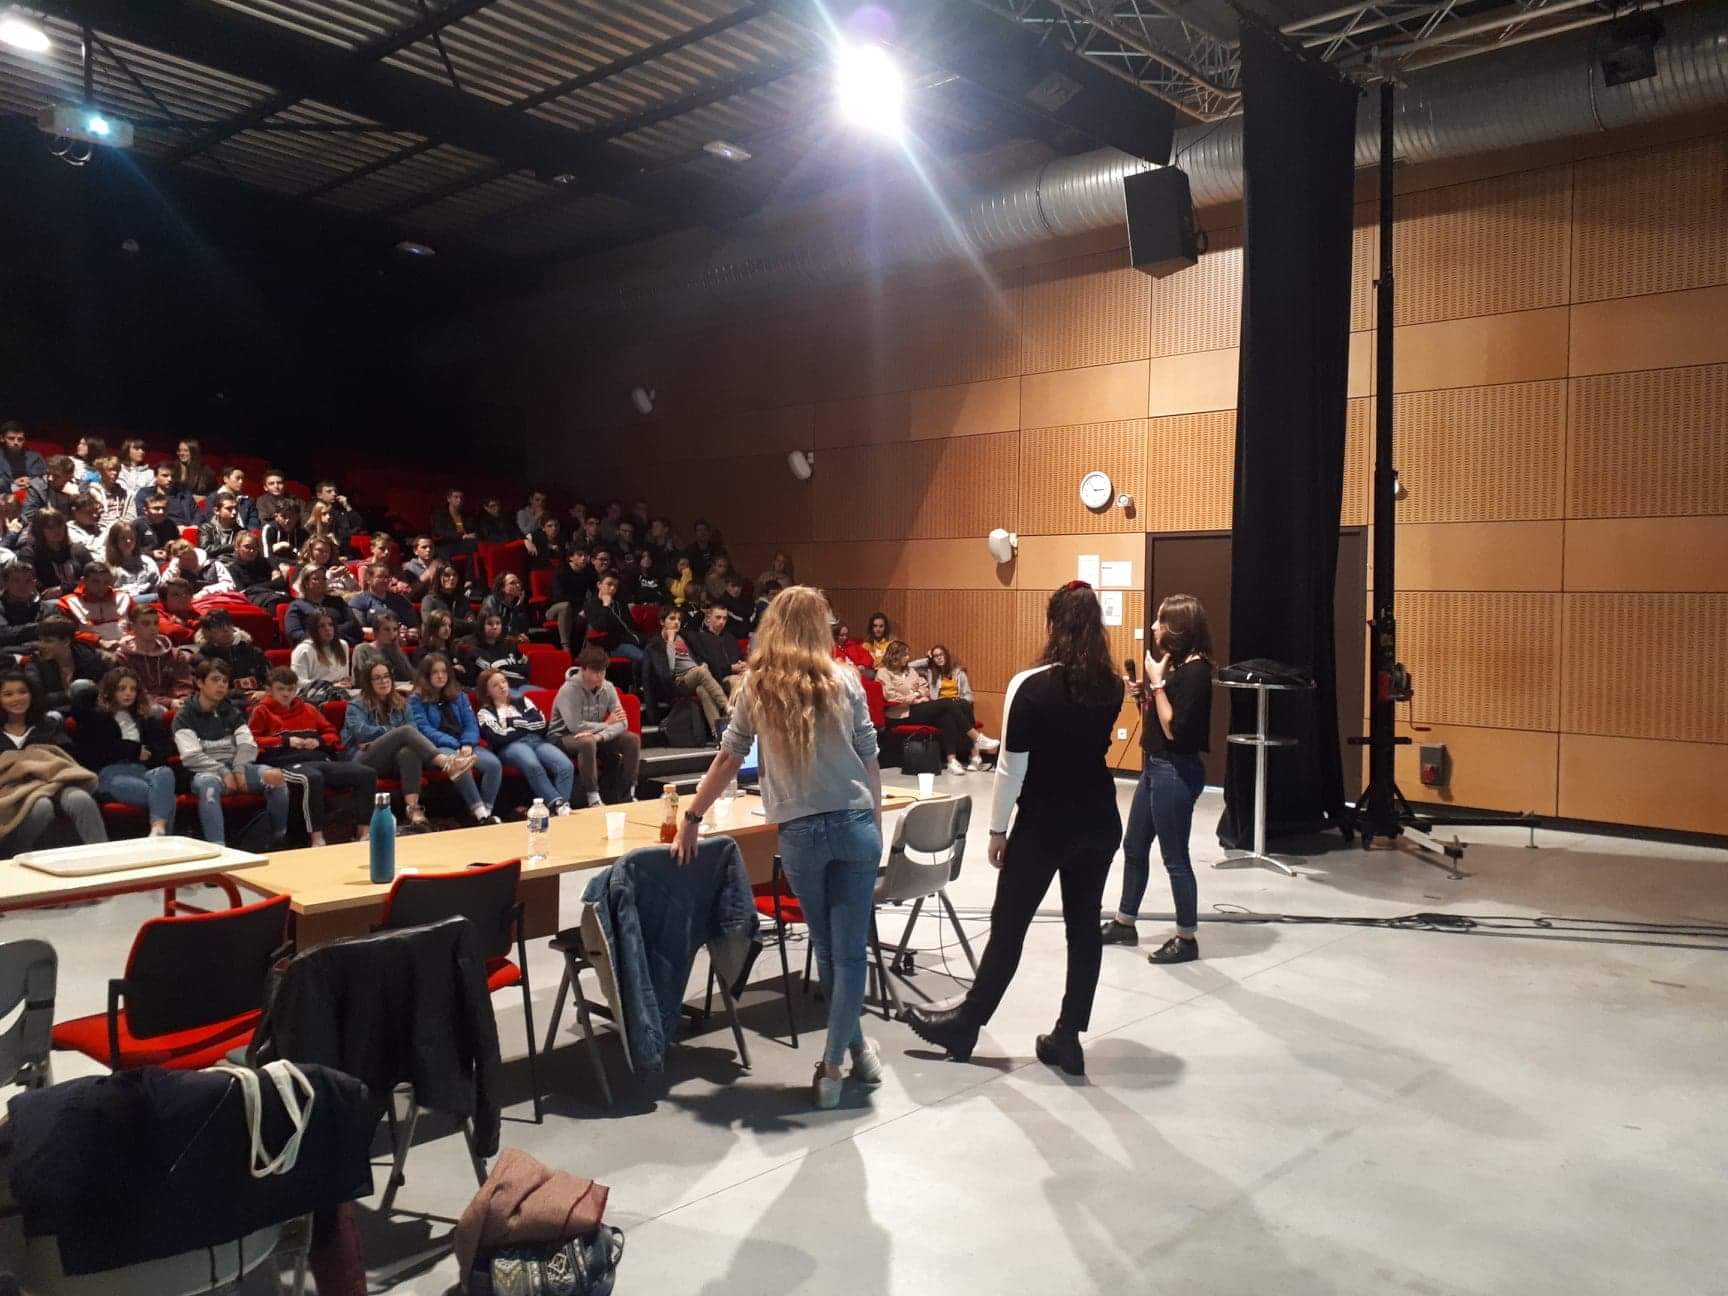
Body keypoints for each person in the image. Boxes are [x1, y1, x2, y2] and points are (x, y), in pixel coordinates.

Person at [672, 585, 884, 1109]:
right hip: (855, 822)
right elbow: (871, 758)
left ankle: (845, 1056)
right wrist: (875, 822)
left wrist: (692, 816)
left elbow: (726, 760)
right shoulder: (846, 680)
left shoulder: (755, 687)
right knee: (847, 953)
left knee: (831, 950)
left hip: (801, 832)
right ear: (819, 629)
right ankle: (842, 1058)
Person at [908, 583, 1127, 1077]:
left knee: (1009, 926)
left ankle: (968, 1022)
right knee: (1084, 927)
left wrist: (997, 828)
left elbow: (1010, 767)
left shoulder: (1030, 684)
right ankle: (1069, 1037)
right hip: (1097, 819)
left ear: (1052, 625)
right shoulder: (1111, 686)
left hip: (1044, 823)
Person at [1101, 594, 1216, 964]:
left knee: (1175, 857)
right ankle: (1124, 922)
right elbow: (1157, 718)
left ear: (1178, 628)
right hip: (1156, 766)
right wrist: (1144, 694)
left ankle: (1186, 937)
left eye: (1160, 621)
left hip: (1175, 769)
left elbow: (1174, 729)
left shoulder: (1196, 671)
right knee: (1134, 847)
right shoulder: (1178, 666)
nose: (1153, 627)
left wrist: (1157, 684)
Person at [250, 666, 377, 847]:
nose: (286, 694)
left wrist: (319, 742)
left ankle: (364, 833)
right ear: (269, 690)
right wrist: (286, 742)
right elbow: (253, 741)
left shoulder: (308, 709)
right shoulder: (262, 711)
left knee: (366, 773)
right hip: (284, 763)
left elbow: (332, 734)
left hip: (318, 758)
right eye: (281, 689)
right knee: (312, 778)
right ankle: (317, 838)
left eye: (291, 689)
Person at [172, 659, 289, 844]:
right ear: (200, 683)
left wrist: (239, 769)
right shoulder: (184, 716)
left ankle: (277, 840)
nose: (221, 685)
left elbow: (248, 744)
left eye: (224, 681)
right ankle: (219, 847)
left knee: (274, 776)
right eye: (215, 680)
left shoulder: (231, 711)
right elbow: (191, 756)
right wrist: (224, 771)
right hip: (207, 772)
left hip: (237, 768)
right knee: (208, 785)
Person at [0, 670, 107, 857]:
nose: (17, 698)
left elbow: (61, 760)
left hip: (53, 781)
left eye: (22, 692)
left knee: (79, 798)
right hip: (11, 790)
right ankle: (16, 854)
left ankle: (103, 857)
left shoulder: (48, 725)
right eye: (8, 694)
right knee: (41, 806)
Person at [342, 659, 455, 832]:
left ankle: (413, 809)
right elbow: (361, 732)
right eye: (377, 678)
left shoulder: (402, 703)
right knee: (404, 732)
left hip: (391, 760)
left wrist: (390, 736)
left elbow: (414, 732)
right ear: (367, 682)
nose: (383, 681)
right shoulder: (356, 705)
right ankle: (447, 763)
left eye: (386, 676)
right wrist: (393, 733)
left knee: (408, 751)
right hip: (362, 761)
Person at [73, 666, 176, 836]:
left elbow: (164, 748)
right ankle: (161, 835)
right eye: (121, 689)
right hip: (112, 774)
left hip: (144, 771)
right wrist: (134, 750)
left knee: (165, 773)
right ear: (110, 690)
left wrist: (149, 754)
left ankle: (158, 829)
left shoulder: (145, 717)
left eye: (133, 689)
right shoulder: (96, 716)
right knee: (166, 798)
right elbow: (98, 748)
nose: (128, 693)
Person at [409, 653, 502, 824]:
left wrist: (466, 743)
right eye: (435, 672)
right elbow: (424, 730)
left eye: (444, 671)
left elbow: (471, 723)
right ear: (426, 675)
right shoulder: (417, 699)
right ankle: (481, 814)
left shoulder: (459, 695)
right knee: (460, 766)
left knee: (494, 765)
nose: (440, 676)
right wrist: (455, 744)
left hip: (465, 743)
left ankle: (487, 812)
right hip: (438, 746)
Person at [548, 645, 639, 807]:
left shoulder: (608, 687)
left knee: (632, 739)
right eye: (595, 671)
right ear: (583, 670)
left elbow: (622, 722)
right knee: (587, 742)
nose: (599, 676)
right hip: (562, 736)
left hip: (594, 734)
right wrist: (605, 724)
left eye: (603, 671)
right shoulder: (569, 690)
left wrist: (600, 735)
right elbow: (575, 726)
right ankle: (593, 797)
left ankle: (628, 794)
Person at [475, 668, 574, 814]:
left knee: (566, 766)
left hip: (537, 741)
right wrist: (526, 724)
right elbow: (499, 737)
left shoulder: (523, 701)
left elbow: (541, 724)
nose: (502, 686)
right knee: (533, 765)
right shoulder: (485, 713)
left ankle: (558, 810)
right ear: (487, 691)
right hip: (511, 746)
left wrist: (512, 723)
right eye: (495, 685)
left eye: (503, 681)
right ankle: (557, 803)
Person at [877, 640, 975, 776]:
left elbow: (924, 688)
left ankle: (951, 760)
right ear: (895, 656)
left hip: (916, 708)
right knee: (947, 703)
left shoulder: (910, 671)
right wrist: (913, 698)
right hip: (899, 714)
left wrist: (917, 694)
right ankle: (976, 737)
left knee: (946, 717)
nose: (908, 658)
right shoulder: (883, 672)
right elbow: (890, 696)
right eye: (904, 655)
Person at [913, 644, 1001, 771]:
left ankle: (958, 759)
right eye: (936, 656)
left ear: (947, 656)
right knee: (952, 708)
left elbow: (968, 695)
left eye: (941, 655)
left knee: (963, 704)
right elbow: (911, 666)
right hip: (940, 706)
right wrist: (927, 658)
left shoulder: (959, 672)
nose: (939, 658)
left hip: (959, 704)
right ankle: (975, 753)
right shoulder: (930, 672)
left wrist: (959, 701)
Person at [651, 606, 731, 736]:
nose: (677, 622)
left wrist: (703, 664)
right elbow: (668, 670)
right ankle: (727, 707)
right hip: (678, 681)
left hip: (696, 677)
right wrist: (670, 642)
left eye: (679, 619)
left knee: (702, 690)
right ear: (662, 622)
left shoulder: (684, 637)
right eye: (672, 619)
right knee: (700, 672)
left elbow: (698, 657)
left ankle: (719, 734)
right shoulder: (656, 644)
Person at [116, 603, 195, 707]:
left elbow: (184, 684)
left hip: (178, 705)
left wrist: (183, 700)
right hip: (143, 707)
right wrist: (168, 702)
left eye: (155, 623)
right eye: (146, 624)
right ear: (133, 627)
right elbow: (136, 692)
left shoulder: (175, 654)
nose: (152, 628)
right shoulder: (123, 657)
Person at [24, 617, 105, 714]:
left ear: (66, 641)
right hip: (53, 715)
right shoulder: (34, 663)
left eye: (48, 641)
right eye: (40, 640)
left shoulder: (89, 658)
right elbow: (36, 698)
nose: (41, 645)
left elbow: (100, 691)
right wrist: (70, 694)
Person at [195, 609, 271, 704]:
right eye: (219, 626)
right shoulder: (200, 659)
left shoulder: (252, 652)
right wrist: (243, 696)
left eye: (228, 624)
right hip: (225, 708)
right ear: (206, 633)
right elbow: (202, 693)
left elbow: (271, 680)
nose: (226, 629)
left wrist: (267, 693)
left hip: (261, 702)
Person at [584, 572, 644, 683]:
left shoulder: (619, 604)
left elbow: (630, 624)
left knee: (656, 654)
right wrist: (606, 606)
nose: (612, 588)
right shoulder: (591, 605)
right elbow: (600, 626)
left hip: (632, 639)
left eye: (615, 586)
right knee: (642, 657)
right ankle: (641, 687)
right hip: (614, 644)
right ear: (599, 585)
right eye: (609, 584)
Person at [19, 510, 91, 600]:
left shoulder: (78, 550)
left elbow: (93, 578)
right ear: (39, 531)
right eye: (49, 527)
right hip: (46, 604)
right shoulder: (29, 553)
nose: (57, 530)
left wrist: (63, 589)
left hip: (80, 598)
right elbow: (27, 582)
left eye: (59, 525)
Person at [284, 567, 362, 646]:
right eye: (316, 579)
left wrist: (329, 632)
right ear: (305, 583)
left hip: (341, 645)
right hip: (313, 648)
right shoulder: (297, 606)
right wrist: (318, 637)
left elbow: (353, 625)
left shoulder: (337, 601)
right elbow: (294, 633)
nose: (322, 582)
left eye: (324, 578)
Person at [58, 561, 130, 645]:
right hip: (91, 649)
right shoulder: (68, 602)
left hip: (128, 646)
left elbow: (140, 624)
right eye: (96, 581)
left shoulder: (124, 598)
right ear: (84, 581)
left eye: (106, 582)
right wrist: (99, 641)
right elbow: (68, 633)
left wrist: (130, 638)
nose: (101, 587)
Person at [289, 610, 355, 701]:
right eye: (322, 626)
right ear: (314, 630)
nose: (328, 629)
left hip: (340, 692)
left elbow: (343, 677)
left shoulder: (343, 645)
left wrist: (346, 682)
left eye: (331, 625)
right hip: (313, 695)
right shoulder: (303, 650)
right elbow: (298, 683)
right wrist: (330, 686)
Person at [456, 610, 529, 693]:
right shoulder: (469, 645)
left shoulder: (509, 644)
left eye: (498, 623)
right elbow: (473, 678)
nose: (495, 627)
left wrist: (501, 669)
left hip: (518, 686)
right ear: (482, 626)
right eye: (490, 624)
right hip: (491, 691)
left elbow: (525, 669)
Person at [689, 601, 747, 699]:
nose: (721, 621)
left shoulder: (730, 637)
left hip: (737, 675)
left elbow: (740, 657)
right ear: (708, 618)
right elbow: (708, 667)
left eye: (724, 618)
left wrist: (743, 664)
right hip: (718, 679)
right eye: (718, 617)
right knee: (738, 682)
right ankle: (734, 713)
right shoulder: (701, 638)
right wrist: (730, 668)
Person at [546, 547, 594, 654]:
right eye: (580, 555)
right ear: (571, 557)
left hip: (578, 609)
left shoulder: (588, 573)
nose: (583, 558)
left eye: (585, 556)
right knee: (565, 606)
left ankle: (587, 650)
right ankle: (566, 646)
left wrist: (585, 609)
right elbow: (559, 597)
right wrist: (581, 606)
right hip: (555, 610)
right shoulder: (561, 572)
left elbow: (595, 592)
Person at [349, 562, 420, 632]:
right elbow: (360, 629)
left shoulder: (400, 599)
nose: (385, 580)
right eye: (380, 577)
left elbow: (414, 626)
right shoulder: (358, 601)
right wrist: (389, 632)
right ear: (368, 579)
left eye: (386, 577)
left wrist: (410, 633)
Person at [353, 610, 414, 690]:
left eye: (395, 629)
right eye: (386, 629)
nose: (392, 634)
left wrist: (397, 650)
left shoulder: (396, 650)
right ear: (376, 631)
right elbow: (362, 680)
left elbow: (410, 677)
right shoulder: (362, 650)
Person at [103, 521, 161, 604]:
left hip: (147, 605)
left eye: (132, 538)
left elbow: (156, 586)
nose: (128, 541)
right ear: (114, 541)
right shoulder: (106, 566)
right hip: (119, 604)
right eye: (123, 538)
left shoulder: (147, 562)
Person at [421, 560, 476, 637]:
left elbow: (472, 624)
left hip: (460, 640)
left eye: (454, 575)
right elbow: (430, 624)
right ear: (438, 577)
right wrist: (463, 623)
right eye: (447, 575)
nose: (452, 578)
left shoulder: (463, 599)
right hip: (436, 642)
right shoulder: (429, 600)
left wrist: (447, 621)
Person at [162, 538, 233, 596]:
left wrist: (206, 592)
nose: (189, 562)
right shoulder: (176, 569)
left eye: (191, 558)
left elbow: (229, 585)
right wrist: (174, 567)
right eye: (185, 560)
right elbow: (164, 589)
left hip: (215, 602)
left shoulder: (215, 564)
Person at [134, 461, 197, 527]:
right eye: (165, 476)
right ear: (155, 476)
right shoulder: (145, 493)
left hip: (186, 529)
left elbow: (197, 513)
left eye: (173, 476)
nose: (170, 479)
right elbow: (143, 515)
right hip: (158, 530)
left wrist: (194, 526)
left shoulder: (184, 494)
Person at [0, 564, 42, 656]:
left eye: (28, 581)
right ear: (5, 584)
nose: (22, 586)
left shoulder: (46, 606)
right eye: (16, 581)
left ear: (34, 583)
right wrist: (41, 627)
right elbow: (3, 634)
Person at [22, 455, 78, 522]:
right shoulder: (37, 485)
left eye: (56, 476)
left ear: (69, 477)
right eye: (48, 473)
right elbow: (29, 513)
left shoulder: (79, 486)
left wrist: (76, 495)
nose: (50, 478)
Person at [479, 571, 535, 640]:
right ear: (502, 588)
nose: (518, 585)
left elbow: (524, 629)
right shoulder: (491, 601)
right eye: (512, 583)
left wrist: (518, 607)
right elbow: (494, 629)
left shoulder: (517, 605)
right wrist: (514, 638)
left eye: (518, 583)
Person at [134, 493, 182, 566]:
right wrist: (151, 554)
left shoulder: (170, 524)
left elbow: (178, 544)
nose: (161, 512)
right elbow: (129, 549)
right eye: (156, 508)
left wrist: (172, 547)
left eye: (164, 509)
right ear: (146, 510)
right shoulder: (137, 525)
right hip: (143, 562)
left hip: (167, 561)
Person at [313, 480, 363, 547]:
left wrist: (347, 506)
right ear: (319, 495)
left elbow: (358, 525)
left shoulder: (340, 511)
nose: (334, 494)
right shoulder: (314, 510)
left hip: (341, 550)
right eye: (329, 491)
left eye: (335, 491)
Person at [431, 488, 478, 558]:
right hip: (448, 543)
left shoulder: (467, 515)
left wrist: (474, 534)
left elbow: (473, 528)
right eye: (456, 497)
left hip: (465, 542)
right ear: (448, 499)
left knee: (476, 544)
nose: (459, 500)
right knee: (472, 545)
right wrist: (462, 536)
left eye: (461, 498)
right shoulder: (440, 514)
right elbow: (439, 531)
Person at [197, 493, 244, 559]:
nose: (234, 512)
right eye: (229, 508)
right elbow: (206, 549)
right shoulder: (207, 528)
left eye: (236, 508)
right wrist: (232, 547)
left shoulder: (241, 531)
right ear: (216, 511)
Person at [2, 421, 48, 490]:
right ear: (2, 439)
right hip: (5, 495)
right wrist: (13, 483)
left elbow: (47, 479)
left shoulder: (36, 457)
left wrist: (31, 481)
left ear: (24, 441)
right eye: (11, 438)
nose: (16, 442)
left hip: (32, 494)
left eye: (20, 439)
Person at [91, 455, 131, 531]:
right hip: (100, 531)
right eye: (110, 470)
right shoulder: (93, 492)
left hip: (120, 531)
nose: (115, 473)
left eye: (117, 470)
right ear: (101, 471)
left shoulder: (125, 494)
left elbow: (130, 516)